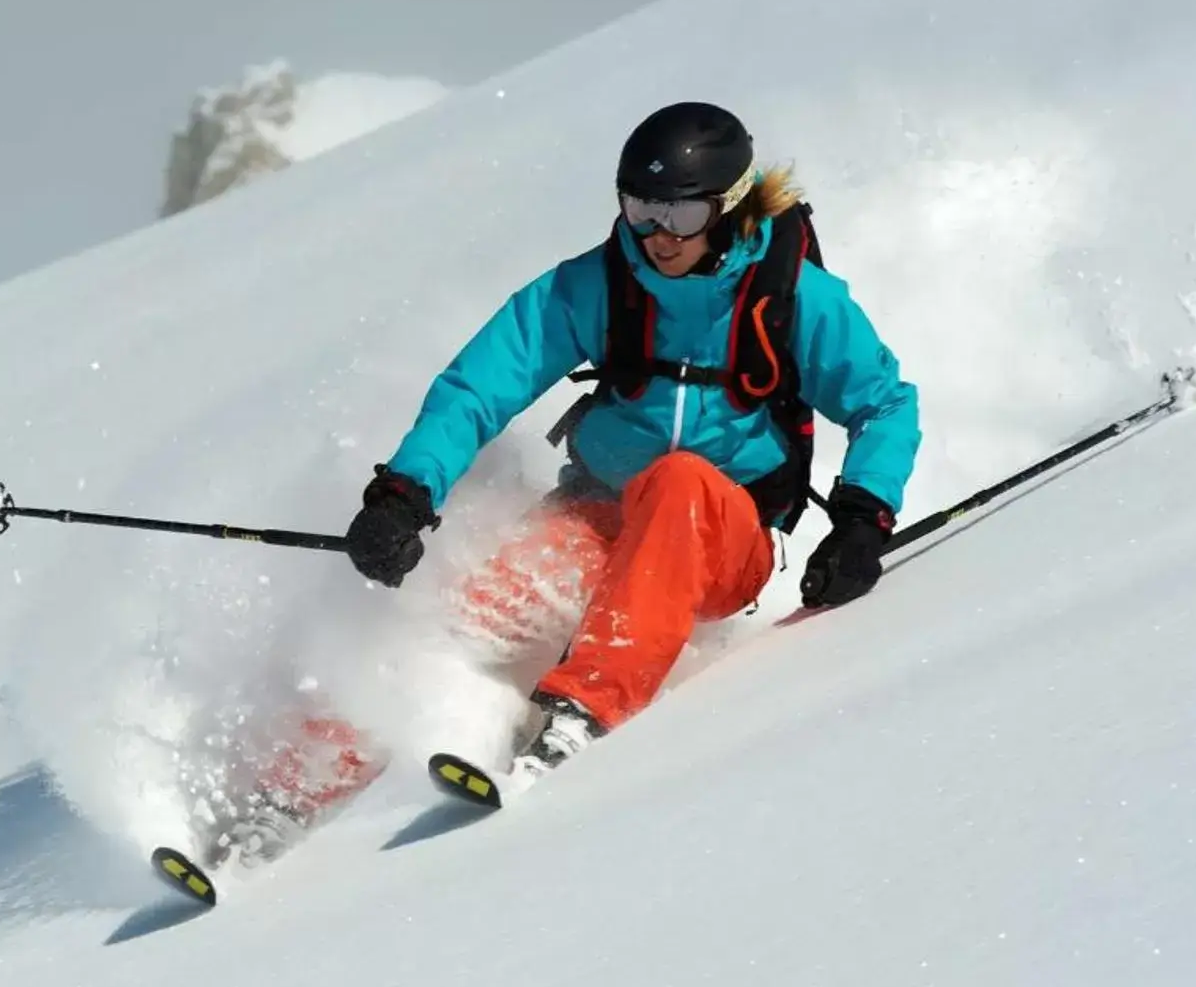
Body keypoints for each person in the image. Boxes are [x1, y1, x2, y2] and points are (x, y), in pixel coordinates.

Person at [344, 101, 920, 782]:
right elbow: (478, 389)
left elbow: (884, 404)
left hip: (723, 539)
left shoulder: (793, 296)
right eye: (640, 209)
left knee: (679, 479)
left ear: (730, 206)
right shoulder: (596, 285)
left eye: (681, 215)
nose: (658, 235)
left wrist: (861, 520)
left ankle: (580, 715)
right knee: (470, 610)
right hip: (601, 513)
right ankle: (296, 784)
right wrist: (404, 493)